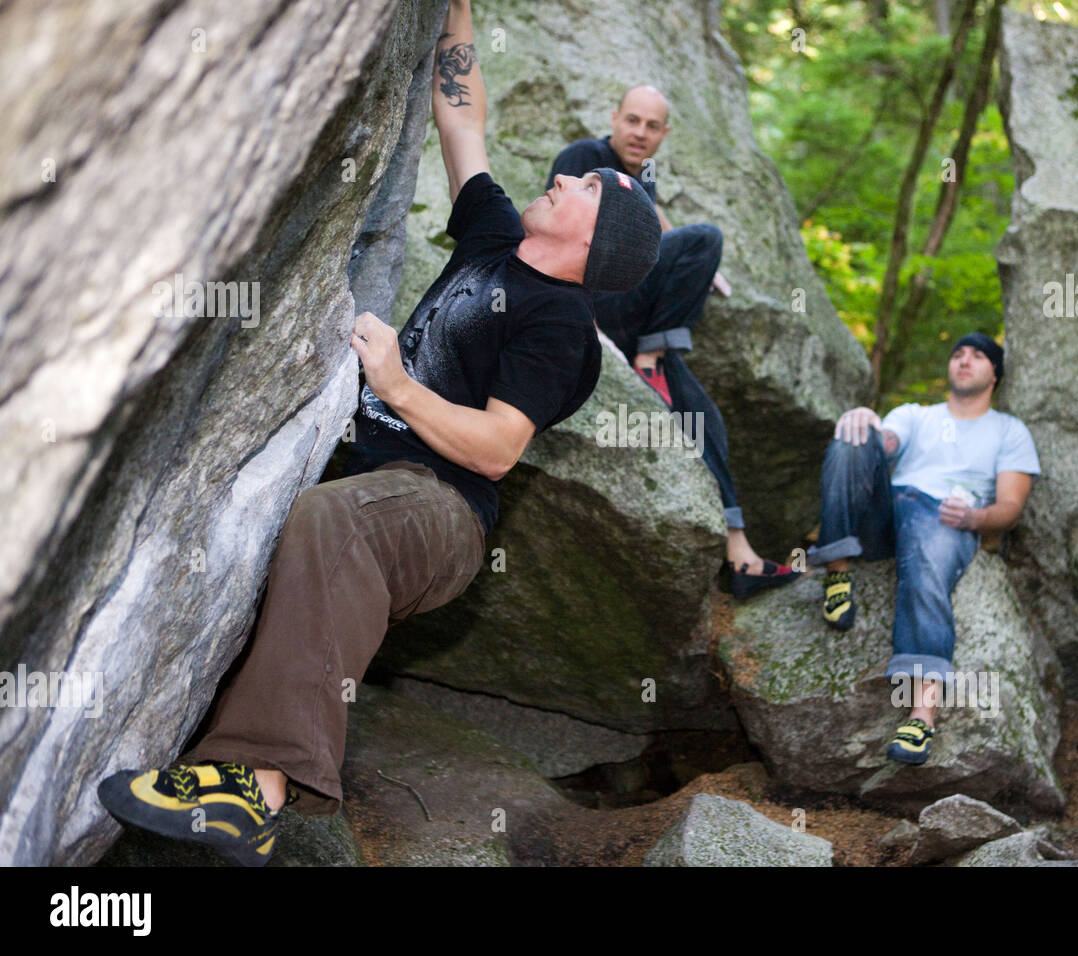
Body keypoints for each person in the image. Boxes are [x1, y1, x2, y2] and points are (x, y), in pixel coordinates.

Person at [96, 0, 660, 866]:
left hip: (440, 515)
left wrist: (393, 381)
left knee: (332, 519)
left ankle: (258, 788)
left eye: (590, 187)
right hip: (373, 476)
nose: (572, 176)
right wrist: (457, 10)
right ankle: (197, 784)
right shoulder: (494, 239)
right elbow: (461, 114)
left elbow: (498, 447)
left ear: (598, 243)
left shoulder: (560, 327)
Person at [546, 86, 798, 600]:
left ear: (664, 134)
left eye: (652, 125)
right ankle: (651, 357)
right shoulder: (585, 158)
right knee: (706, 238)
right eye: (632, 120)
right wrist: (692, 253)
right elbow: (565, 232)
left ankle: (740, 554)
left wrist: (694, 269)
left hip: (631, 316)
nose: (640, 132)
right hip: (596, 305)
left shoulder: (646, 177)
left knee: (703, 415)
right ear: (614, 118)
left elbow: (648, 226)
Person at [806, 333, 1040, 764]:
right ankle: (837, 570)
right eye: (957, 354)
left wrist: (974, 519)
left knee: (925, 568)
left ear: (995, 375)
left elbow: (1010, 508)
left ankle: (921, 714)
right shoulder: (917, 415)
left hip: (945, 518)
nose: (964, 360)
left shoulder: (1009, 431)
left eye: (978, 356)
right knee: (851, 436)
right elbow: (886, 443)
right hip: (890, 511)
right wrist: (865, 422)